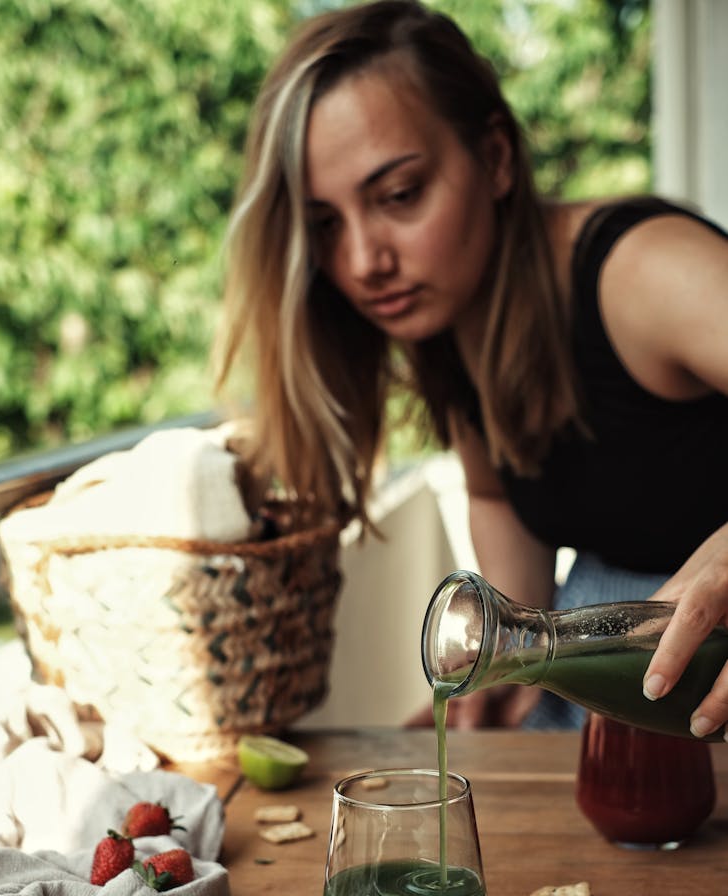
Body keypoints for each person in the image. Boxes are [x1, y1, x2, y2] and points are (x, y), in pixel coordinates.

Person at [212, 0, 728, 735]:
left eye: (399, 195)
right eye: (325, 225)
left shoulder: (638, 271)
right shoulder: (451, 328)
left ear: (494, 159)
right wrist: (499, 670)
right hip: (648, 693)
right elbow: (498, 499)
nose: (362, 262)